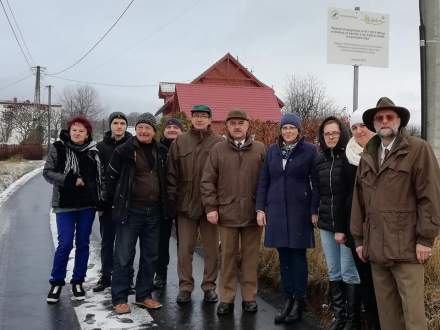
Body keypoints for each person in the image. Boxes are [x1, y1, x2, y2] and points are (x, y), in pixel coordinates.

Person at [351, 97, 440, 330]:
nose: (384, 121)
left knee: (413, 317)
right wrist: (360, 240)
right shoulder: (368, 155)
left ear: (399, 121)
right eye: (379, 118)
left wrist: (425, 239)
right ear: (373, 123)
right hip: (377, 249)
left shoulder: (418, 149)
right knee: (388, 316)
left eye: (389, 116)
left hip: (408, 249)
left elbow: (430, 195)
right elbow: (358, 202)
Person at [256, 112, 319, 324]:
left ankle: (299, 301)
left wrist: (314, 210)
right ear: (280, 131)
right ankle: (288, 298)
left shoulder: (310, 150)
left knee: (298, 257)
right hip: (276, 211)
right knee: (283, 257)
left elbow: (316, 183)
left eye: (292, 127)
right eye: (285, 128)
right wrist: (260, 209)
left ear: (299, 130)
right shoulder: (272, 151)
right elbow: (264, 181)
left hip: (300, 211)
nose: (288, 131)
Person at [201, 109, 266, 315]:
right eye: (233, 123)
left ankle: (249, 297)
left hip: (252, 215)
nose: (237, 127)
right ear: (227, 127)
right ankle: (226, 299)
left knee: (250, 258)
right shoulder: (218, 150)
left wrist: (263, 208)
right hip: (226, 214)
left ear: (248, 126)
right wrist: (211, 207)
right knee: (227, 259)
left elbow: (267, 182)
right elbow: (207, 181)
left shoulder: (260, 149)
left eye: (241, 123)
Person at [105, 113, 168, 314]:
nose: (143, 131)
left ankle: (143, 295)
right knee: (123, 255)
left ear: (154, 131)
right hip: (130, 212)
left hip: (154, 212)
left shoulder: (162, 151)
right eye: (140, 127)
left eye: (147, 128)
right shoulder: (123, 150)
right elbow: (110, 179)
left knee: (150, 256)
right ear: (136, 129)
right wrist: (109, 205)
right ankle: (120, 298)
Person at [168, 105, 223, 304]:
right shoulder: (180, 142)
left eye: (204, 116)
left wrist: (217, 205)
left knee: (211, 251)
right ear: (191, 119)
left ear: (210, 119)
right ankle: (185, 287)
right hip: (185, 206)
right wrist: (172, 201)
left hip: (210, 207)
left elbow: (222, 176)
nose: (199, 119)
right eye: (196, 116)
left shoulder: (219, 143)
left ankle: (209, 287)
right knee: (185, 250)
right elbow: (171, 174)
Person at [43, 116, 102, 304]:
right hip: (64, 205)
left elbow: (98, 177)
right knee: (65, 243)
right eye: (74, 129)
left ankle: (78, 281)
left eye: (81, 130)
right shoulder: (58, 148)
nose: (77, 133)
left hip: (86, 205)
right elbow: (48, 172)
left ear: (87, 134)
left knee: (83, 243)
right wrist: (69, 180)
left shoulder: (93, 151)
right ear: (69, 131)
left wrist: (97, 196)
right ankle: (57, 282)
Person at [314, 116, 360, 330]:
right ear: (322, 137)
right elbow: (317, 190)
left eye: (334, 132)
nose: (331, 136)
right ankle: (339, 316)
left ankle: (352, 320)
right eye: (327, 134)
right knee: (334, 270)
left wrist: (345, 227)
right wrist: (314, 212)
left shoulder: (349, 158)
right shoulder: (320, 159)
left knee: (348, 271)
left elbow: (351, 195)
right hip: (326, 222)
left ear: (341, 133)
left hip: (347, 224)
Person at [345, 110, 380, 329]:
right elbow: (342, 197)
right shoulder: (347, 155)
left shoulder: (383, 152)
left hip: (383, 230)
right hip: (358, 231)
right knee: (366, 282)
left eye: (362, 126)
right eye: (354, 127)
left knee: (384, 284)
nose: (359, 131)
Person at [93, 112, 133, 293]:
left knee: (126, 244)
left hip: (127, 202)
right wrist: (100, 201)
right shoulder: (100, 147)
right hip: (107, 202)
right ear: (110, 126)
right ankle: (106, 276)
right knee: (107, 241)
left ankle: (126, 278)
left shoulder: (133, 145)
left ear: (126, 126)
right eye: (115, 123)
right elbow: (97, 176)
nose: (119, 126)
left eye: (122, 123)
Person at [153, 117, 183, 288]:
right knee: (161, 241)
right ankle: (160, 274)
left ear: (181, 130)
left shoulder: (186, 147)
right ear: (163, 131)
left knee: (183, 243)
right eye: (169, 127)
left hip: (183, 201)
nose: (172, 129)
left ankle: (183, 277)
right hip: (162, 202)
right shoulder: (157, 148)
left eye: (176, 127)